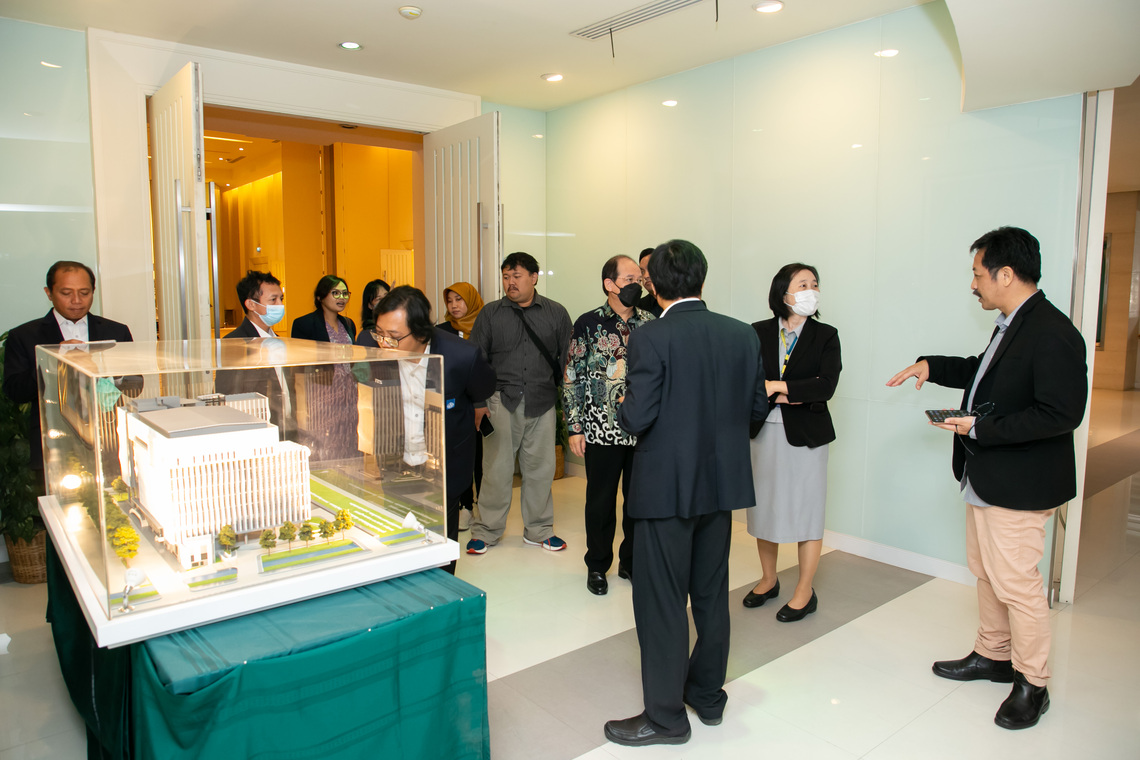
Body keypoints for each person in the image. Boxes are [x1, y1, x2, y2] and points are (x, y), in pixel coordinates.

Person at [886, 226, 1087, 731]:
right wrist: (931, 365)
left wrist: (979, 427)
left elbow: (1061, 414)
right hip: (989, 473)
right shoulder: (1011, 324)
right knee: (987, 571)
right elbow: (984, 373)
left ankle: (1033, 683)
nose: (973, 284)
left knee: (1017, 583)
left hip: (1021, 482)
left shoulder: (1053, 332)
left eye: (978, 274)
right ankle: (993, 655)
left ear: (1006, 274)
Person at [604, 240, 767, 747]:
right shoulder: (742, 334)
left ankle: (666, 718)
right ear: (702, 278)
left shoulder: (652, 336)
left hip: (665, 490)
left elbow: (636, 417)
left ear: (653, 284)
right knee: (712, 594)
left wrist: (619, 397)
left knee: (662, 602)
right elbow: (757, 410)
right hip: (721, 487)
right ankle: (708, 696)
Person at [359, 286, 496, 573]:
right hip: (395, 462)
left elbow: (481, 390)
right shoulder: (372, 350)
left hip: (444, 466)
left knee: (441, 548)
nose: (384, 343)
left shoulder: (461, 355)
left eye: (393, 336)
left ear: (421, 332)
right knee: (400, 541)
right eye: (379, 333)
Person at [743, 264, 841, 621]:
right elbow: (749, 381)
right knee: (764, 507)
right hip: (763, 430)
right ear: (782, 292)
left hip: (808, 436)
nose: (811, 290)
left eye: (814, 284)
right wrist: (791, 392)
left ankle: (804, 590)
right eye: (803, 285)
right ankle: (769, 580)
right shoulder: (757, 332)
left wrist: (779, 387)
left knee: (807, 510)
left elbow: (825, 386)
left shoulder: (826, 335)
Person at [466, 252, 573, 554]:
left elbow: (567, 361)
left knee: (540, 470)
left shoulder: (556, 313)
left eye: (517, 276)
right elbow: (476, 361)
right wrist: (478, 402)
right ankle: (486, 531)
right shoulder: (491, 314)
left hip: (543, 401)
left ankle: (539, 529)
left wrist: (569, 407)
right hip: (500, 401)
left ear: (534, 278)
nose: (510, 282)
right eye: (506, 277)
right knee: (496, 471)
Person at [563, 255, 654, 595]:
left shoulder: (651, 322)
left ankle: (631, 561)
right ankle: (598, 566)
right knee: (600, 503)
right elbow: (571, 376)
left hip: (643, 430)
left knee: (639, 502)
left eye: (639, 278)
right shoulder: (588, 324)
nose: (637, 284)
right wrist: (574, 427)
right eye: (629, 278)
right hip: (601, 429)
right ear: (609, 284)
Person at [3, 261, 134, 477]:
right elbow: (15, 391)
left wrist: (108, 371)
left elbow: (134, 385)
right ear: (49, 293)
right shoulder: (24, 336)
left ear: (93, 291)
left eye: (84, 293)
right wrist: (51, 362)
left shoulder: (116, 332)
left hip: (110, 443)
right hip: (53, 446)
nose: (76, 300)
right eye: (66, 293)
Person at [291, 275, 359, 461]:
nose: (341, 298)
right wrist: (301, 407)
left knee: (348, 439)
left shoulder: (348, 323)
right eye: (335, 293)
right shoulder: (304, 324)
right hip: (321, 393)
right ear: (320, 297)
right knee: (323, 443)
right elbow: (299, 368)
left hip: (348, 394)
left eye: (345, 293)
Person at [437, 282, 487, 530]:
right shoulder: (441, 331)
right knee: (461, 457)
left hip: (483, 402)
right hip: (454, 407)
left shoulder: (484, 326)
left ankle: (484, 508)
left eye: (459, 299)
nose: (454, 305)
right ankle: (464, 506)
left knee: (483, 458)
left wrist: (482, 400)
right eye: (450, 300)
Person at [216, 270, 292, 430]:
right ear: (251, 304)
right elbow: (230, 395)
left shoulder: (279, 341)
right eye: (273, 300)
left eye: (281, 299)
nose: (280, 305)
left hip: (284, 427)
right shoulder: (235, 343)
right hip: (255, 429)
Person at [635, 247, 663, 317]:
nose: (646, 276)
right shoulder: (638, 308)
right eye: (642, 272)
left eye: (650, 269)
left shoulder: (678, 300)